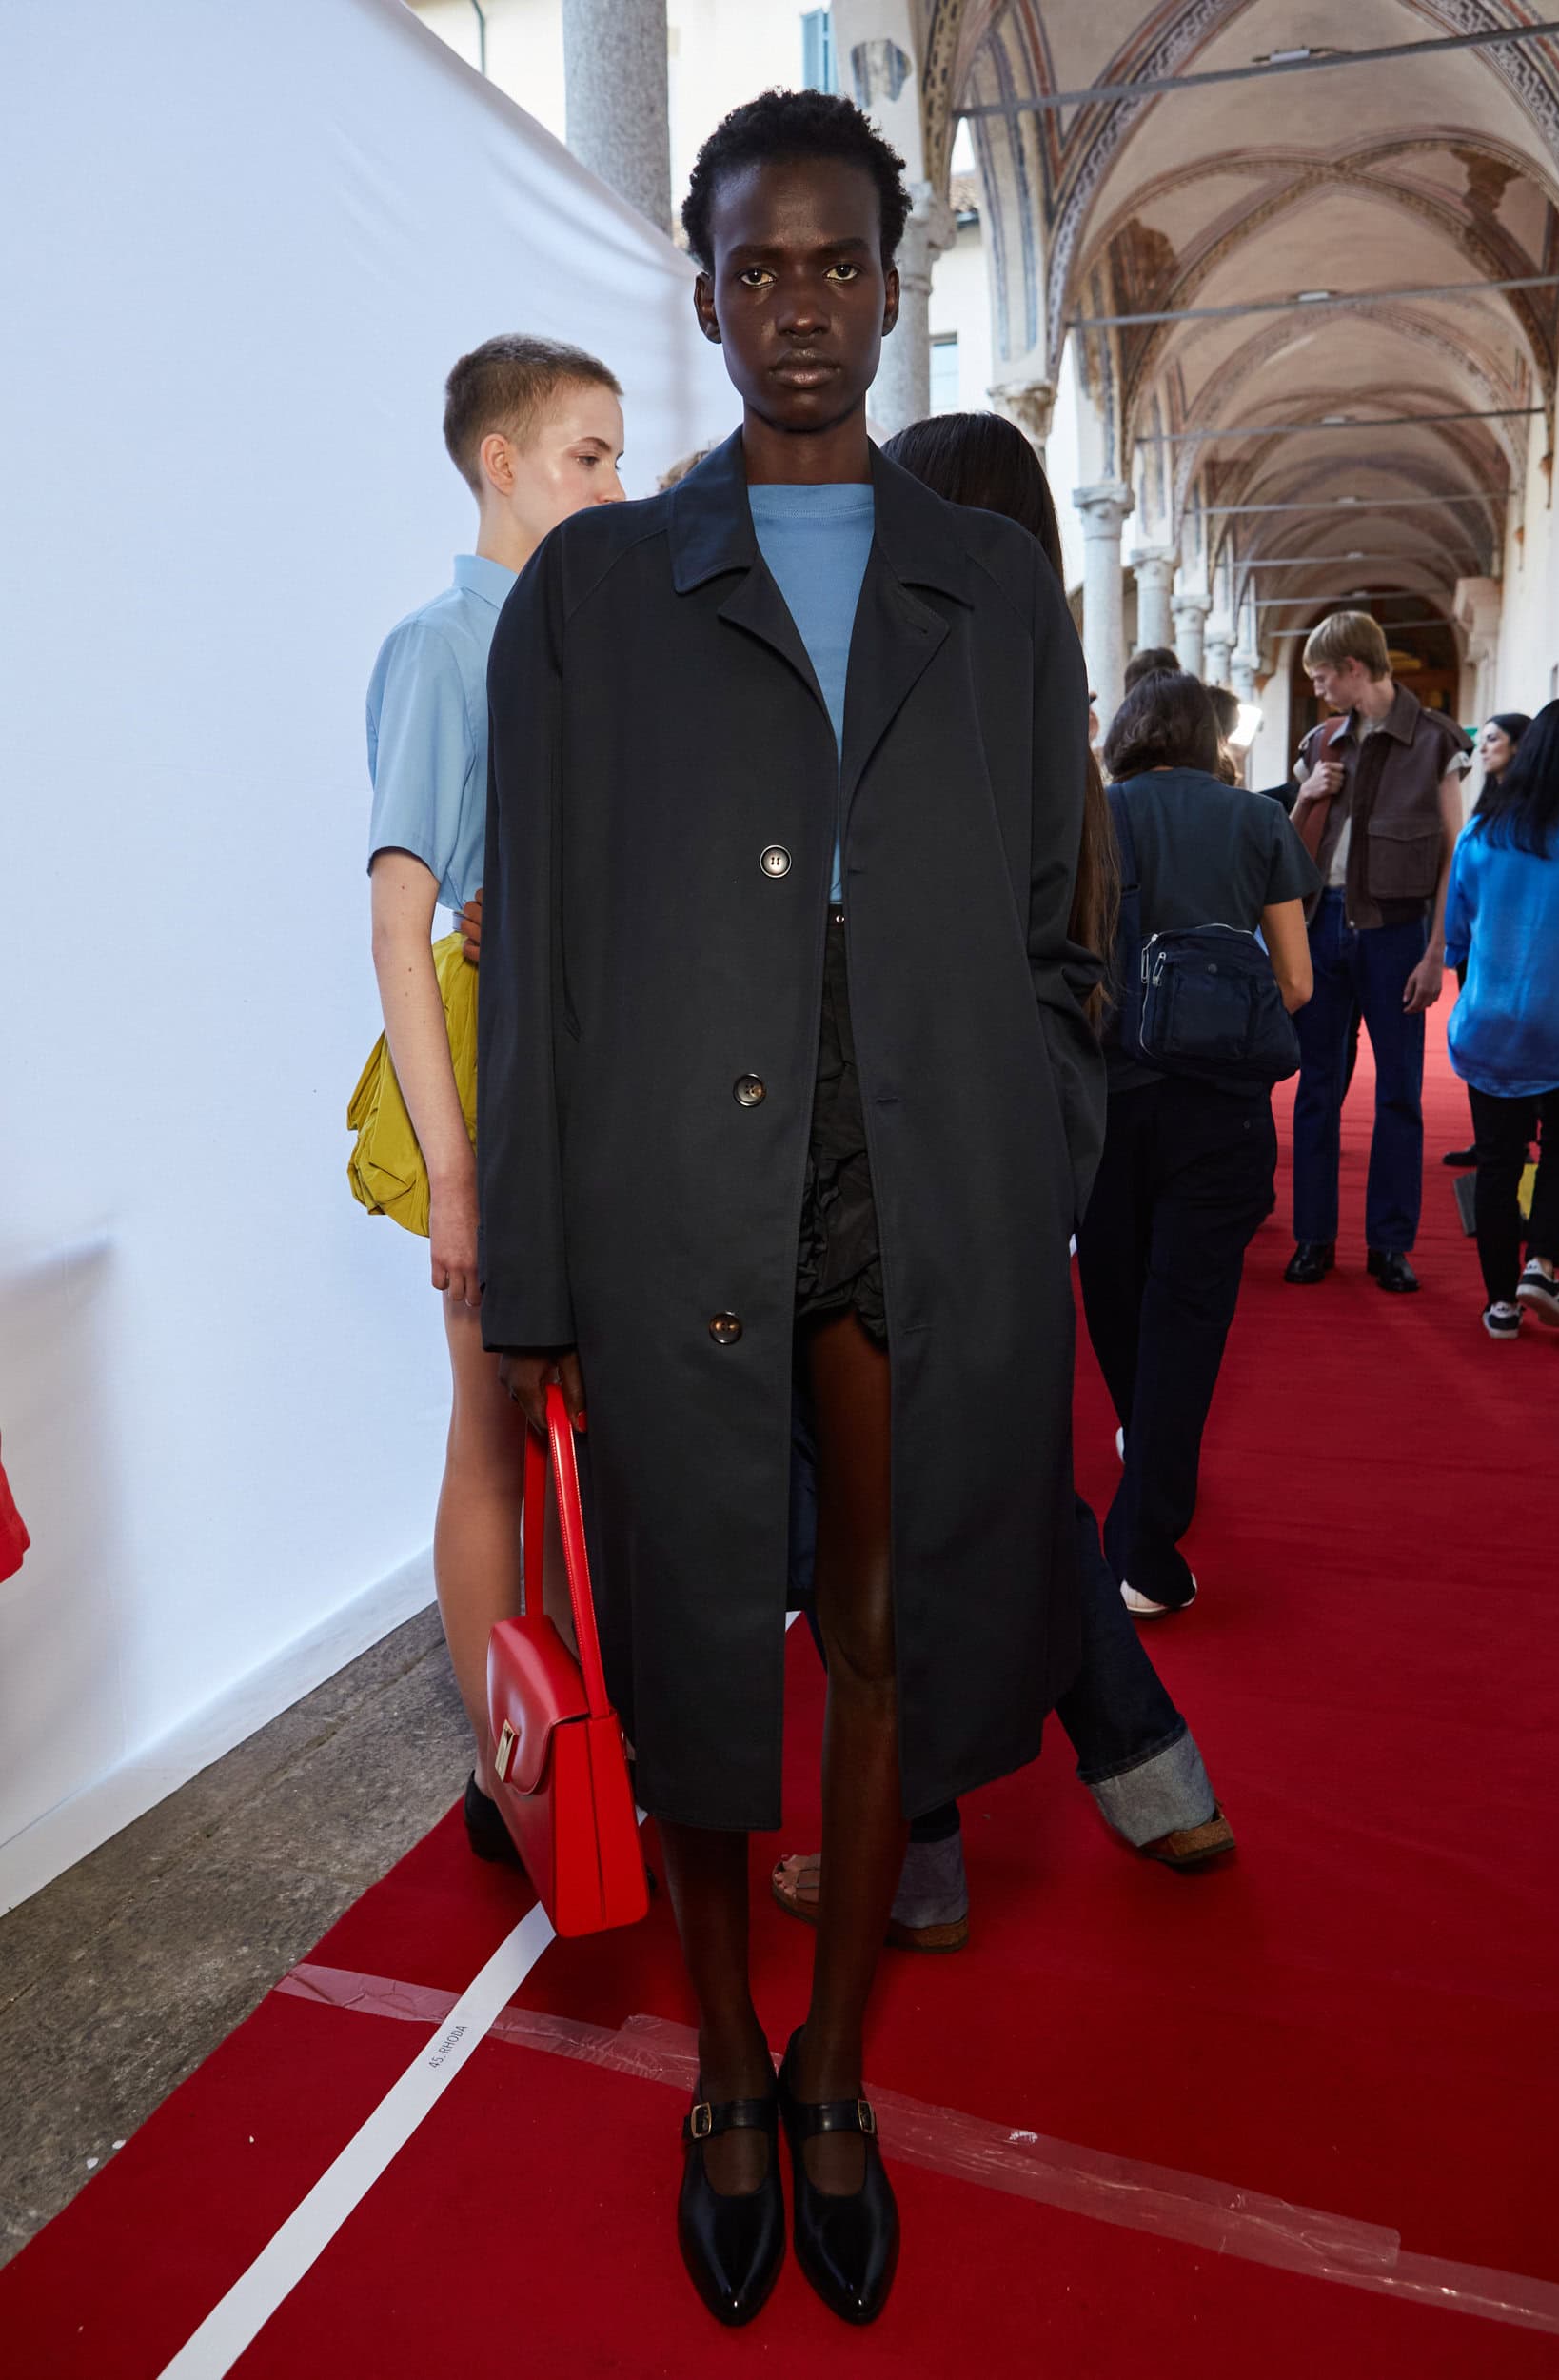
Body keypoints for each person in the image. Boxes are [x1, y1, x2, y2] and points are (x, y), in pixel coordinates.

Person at [477, 90, 1103, 2330]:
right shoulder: (592, 596)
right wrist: (533, 1263)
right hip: (670, 1174)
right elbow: (534, 960)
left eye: (840, 267)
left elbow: (1061, 922)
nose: (802, 308)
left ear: (896, 279)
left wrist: (1042, 1150)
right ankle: (724, 2066)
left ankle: (837, 2071)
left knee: (881, 1626)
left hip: (920, 1170)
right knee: (688, 1638)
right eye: (760, 269)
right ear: (703, 276)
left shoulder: (997, 584)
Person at [767, 409, 1233, 1954]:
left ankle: (923, 1853)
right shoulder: (1044, 714)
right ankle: (1148, 1778)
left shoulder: (923, 707)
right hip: (1023, 1150)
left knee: (877, 1515)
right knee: (986, 1479)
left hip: (908, 1160)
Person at [357, 334, 625, 1864]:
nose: (614, 481)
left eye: (616, 454)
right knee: (491, 1423)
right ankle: (503, 1762)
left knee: (566, 1421)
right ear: (501, 464)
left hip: (586, 1066)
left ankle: (569, 1733)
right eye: (586, 455)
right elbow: (403, 924)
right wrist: (455, 1177)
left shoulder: (576, 646)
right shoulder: (439, 651)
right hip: (492, 1077)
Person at [1083, 673, 1317, 1615]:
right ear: (1211, 736)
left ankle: (1147, 1457)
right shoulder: (1255, 822)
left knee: (1113, 1294)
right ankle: (1142, 1547)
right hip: (1218, 1106)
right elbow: (1295, 982)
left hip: (1103, 1096)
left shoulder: (1088, 816)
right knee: (1185, 1312)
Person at [1284, 611, 1470, 1292]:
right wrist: (1304, 795)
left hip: (1396, 935)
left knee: (1399, 1094)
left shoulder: (1436, 741)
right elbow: (1289, 849)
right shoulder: (1319, 742)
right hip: (1321, 925)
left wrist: (1435, 951)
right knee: (1316, 1089)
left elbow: (1456, 853)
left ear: (1353, 668)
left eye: (1321, 674)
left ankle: (1388, 1244)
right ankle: (1313, 1237)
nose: (1317, 686)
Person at [1444, 698, 1559, 1337]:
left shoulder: (1482, 832)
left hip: (1490, 1024)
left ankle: (1499, 1304)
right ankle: (1543, 1263)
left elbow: (1457, 933)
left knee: (1497, 1163)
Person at [1443, 710, 1531, 1166]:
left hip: (1515, 946)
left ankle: (1514, 1140)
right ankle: (1491, 1137)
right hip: (1478, 947)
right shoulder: (1486, 809)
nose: (1484, 747)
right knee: (1485, 1043)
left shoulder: (1536, 812)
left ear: (1520, 746)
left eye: (1494, 739)